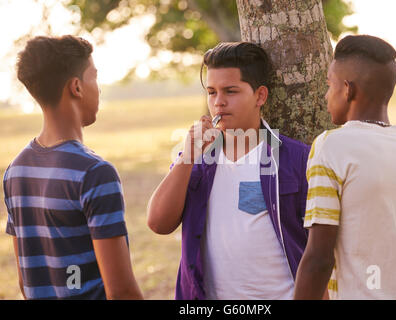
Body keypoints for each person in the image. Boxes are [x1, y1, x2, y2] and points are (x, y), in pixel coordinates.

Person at [147, 42, 310, 300]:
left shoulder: (297, 159)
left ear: (260, 96)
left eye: (230, 91)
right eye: (211, 92)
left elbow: (320, 251)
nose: (219, 102)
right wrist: (187, 157)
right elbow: (158, 223)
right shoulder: (197, 160)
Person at [293, 35, 396, 300]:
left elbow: (319, 259)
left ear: (348, 89)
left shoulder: (331, 147)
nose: (325, 95)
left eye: (329, 85)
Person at [3, 35, 143, 300]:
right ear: (76, 87)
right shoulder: (95, 174)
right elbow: (121, 291)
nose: (99, 89)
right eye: (95, 77)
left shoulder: (15, 171)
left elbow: (26, 280)